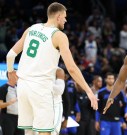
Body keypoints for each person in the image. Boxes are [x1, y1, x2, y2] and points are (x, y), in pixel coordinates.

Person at [6, 2, 98, 135]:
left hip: (23, 87)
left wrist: (10, 71)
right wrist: (88, 91)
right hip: (40, 88)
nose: (66, 20)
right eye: (65, 17)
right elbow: (71, 68)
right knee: (45, 132)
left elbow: (10, 54)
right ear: (59, 16)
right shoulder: (59, 36)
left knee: (29, 132)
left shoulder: (32, 29)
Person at [52, 67, 66, 135]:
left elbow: (59, 90)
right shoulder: (36, 68)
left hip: (55, 105)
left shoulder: (58, 70)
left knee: (53, 132)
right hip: (40, 104)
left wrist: (43, 84)